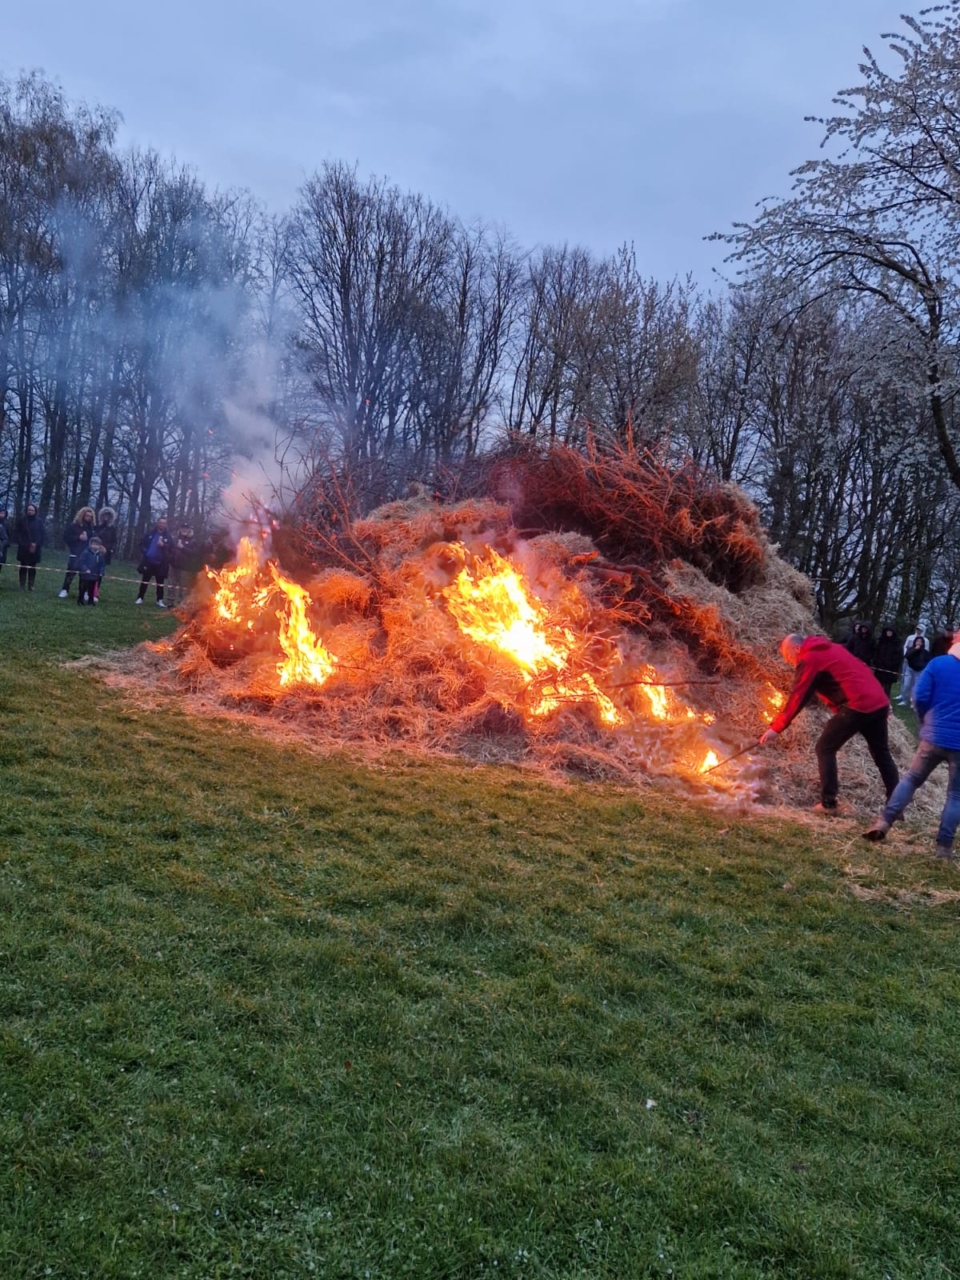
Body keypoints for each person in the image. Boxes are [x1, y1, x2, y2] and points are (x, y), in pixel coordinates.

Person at [760, 632, 899, 814]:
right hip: (877, 702)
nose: (788, 661)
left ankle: (828, 803)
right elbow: (862, 668)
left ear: (796, 648)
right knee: (882, 753)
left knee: (824, 748)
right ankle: (897, 806)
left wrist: (777, 728)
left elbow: (798, 696)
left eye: (787, 656)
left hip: (858, 704)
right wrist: (881, 700)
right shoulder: (833, 648)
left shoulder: (810, 658)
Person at [863, 628, 960, 860]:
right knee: (956, 795)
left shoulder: (938, 664)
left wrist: (925, 720)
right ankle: (943, 847)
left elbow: (920, 696)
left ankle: (884, 822)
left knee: (911, 779)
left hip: (933, 736)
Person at [59, 506, 97, 598]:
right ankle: (65, 589)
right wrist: (78, 538)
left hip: (87, 555)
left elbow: (94, 541)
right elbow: (66, 537)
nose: (89, 518)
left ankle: (84, 592)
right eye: (87, 515)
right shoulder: (73, 526)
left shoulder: (92, 529)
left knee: (85, 575)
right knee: (70, 573)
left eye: (91, 516)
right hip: (75, 553)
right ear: (82, 515)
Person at [136, 517, 172, 607]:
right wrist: (146, 552)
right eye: (161, 522)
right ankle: (140, 597)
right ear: (157, 523)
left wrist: (163, 545)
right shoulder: (150, 533)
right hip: (148, 562)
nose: (162, 524)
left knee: (160, 583)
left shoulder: (168, 536)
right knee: (145, 580)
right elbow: (141, 544)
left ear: (166, 525)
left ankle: (159, 600)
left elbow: (171, 548)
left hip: (161, 563)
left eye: (164, 523)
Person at [15, 503, 45, 591]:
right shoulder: (21, 520)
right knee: (23, 566)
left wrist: (37, 543)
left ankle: (31, 585)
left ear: (35, 511)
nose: (30, 511)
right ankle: (22, 584)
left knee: (33, 567)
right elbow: (17, 533)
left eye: (32, 510)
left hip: (35, 548)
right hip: (23, 547)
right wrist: (22, 543)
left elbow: (43, 534)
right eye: (29, 510)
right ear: (26, 511)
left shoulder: (39, 521)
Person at [169, 524, 196, 603]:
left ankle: (181, 604)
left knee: (183, 587)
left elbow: (194, 553)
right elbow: (169, 550)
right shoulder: (175, 539)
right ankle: (170, 603)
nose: (184, 530)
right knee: (171, 585)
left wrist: (183, 548)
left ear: (189, 530)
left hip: (184, 568)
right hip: (174, 566)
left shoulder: (192, 541)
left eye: (186, 528)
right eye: (183, 528)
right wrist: (170, 558)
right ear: (180, 529)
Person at [900, 635, 930, 708]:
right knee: (906, 685)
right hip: (910, 669)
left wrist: (922, 666)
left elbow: (928, 661)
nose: (919, 643)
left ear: (922, 643)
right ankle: (904, 700)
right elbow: (907, 656)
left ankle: (913, 702)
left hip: (919, 671)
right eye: (917, 641)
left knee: (916, 687)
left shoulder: (925, 652)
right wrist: (915, 649)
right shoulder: (911, 649)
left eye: (920, 641)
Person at [899, 624, 926, 703]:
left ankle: (913, 700)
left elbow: (926, 656)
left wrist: (922, 665)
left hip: (919, 669)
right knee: (906, 683)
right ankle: (903, 697)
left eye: (920, 630)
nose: (918, 631)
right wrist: (913, 650)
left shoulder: (926, 640)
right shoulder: (910, 637)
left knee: (916, 685)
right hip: (909, 665)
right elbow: (906, 649)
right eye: (917, 629)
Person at [873, 625, 901, 696]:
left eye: (890, 631)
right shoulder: (881, 641)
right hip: (880, 668)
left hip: (890, 669)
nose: (889, 633)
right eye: (887, 631)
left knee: (887, 688)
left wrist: (892, 663)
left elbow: (899, 656)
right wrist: (877, 662)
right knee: (878, 686)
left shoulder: (897, 643)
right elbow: (876, 652)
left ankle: (885, 701)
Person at [76, 538, 106, 605]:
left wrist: (101, 572)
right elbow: (81, 562)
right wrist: (85, 569)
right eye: (93, 544)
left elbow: (102, 565)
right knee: (83, 588)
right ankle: (80, 600)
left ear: (99, 546)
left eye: (97, 544)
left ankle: (90, 600)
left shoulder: (100, 555)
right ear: (90, 544)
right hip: (85, 575)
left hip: (94, 575)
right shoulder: (86, 552)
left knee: (91, 589)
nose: (95, 546)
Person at [0, 507, 9, 578]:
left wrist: (1, 546)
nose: (1, 515)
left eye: (3, 513)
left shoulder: (4, 525)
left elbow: (6, 538)